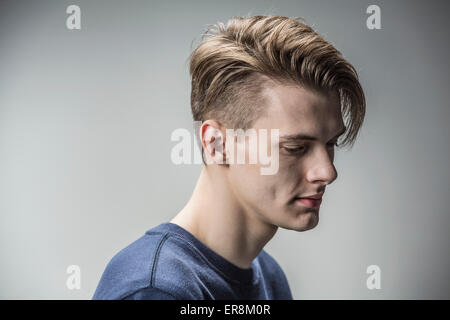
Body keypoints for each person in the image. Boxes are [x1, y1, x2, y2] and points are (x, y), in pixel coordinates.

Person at [93, 15, 365, 300]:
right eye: (295, 147)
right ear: (218, 144)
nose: (327, 172)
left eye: (331, 142)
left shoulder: (269, 276)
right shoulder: (157, 290)